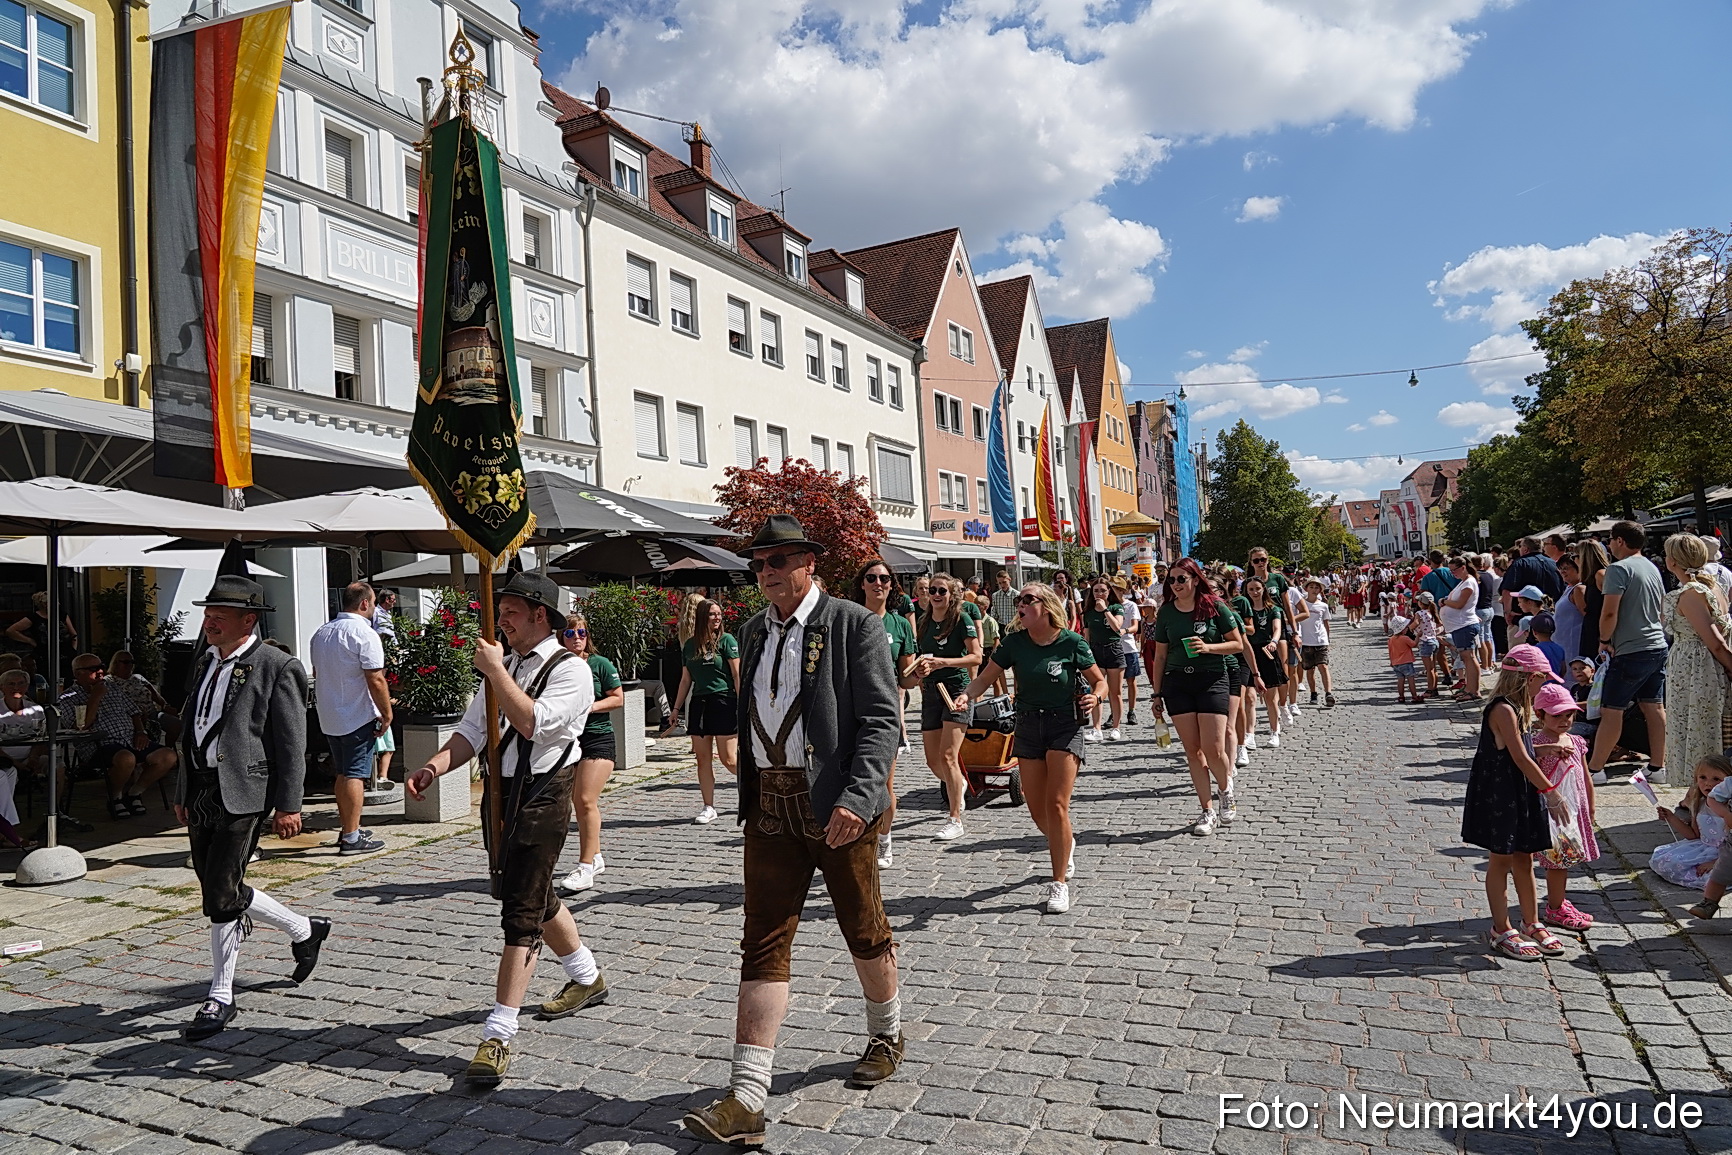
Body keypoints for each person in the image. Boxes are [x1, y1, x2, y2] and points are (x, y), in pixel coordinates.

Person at [681, 516, 903, 1147]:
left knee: (862, 925)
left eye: (777, 560)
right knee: (762, 942)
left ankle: (886, 1032)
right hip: (770, 807)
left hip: (835, 804)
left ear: (808, 562)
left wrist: (860, 797)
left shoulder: (852, 624)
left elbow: (881, 720)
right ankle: (747, 1096)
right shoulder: (754, 630)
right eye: (758, 563)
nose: (766, 571)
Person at [406, 571, 605, 1086]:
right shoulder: (508, 664)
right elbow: (473, 730)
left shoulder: (572, 670)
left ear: (541, 615)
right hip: (501, 794)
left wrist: (496, 671)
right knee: (532, 893)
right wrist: (432, 767)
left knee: (521, 913)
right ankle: (587, 976)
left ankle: (498, 1033)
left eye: (511, 611)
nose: (502, 621)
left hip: (544, 794)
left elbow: (533, 723)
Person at [172, 576, 330, 1041]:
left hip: (245, 792)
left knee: (221, 893)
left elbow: (292, 742)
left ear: (249, 620)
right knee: (216, 886)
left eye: (219, 615)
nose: (209, 622)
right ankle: (304, 929)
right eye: (207, 614)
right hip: (201, 788)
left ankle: (220, 995)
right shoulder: (205, 660)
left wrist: (289, 804)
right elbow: (191, 728)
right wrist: (182, 790)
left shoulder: (277, 666)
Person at [952, 584, 1103, 914]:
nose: (1020, 604)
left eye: (1027, 600)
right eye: (1019, 600)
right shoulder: (1014, 643)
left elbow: (1099, 680)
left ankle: (1059, 882)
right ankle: (1064, 842)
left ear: (1045, 606)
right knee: (1037, 811)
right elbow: (985, 677)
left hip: (1064, 725)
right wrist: (967, 695)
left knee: (1057, 804)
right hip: (1029, 725)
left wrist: (1096, 697)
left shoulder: (1072, 642)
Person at [1460, 646, 1571, 961]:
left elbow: (1519, 750)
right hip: (1502, 794)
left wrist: (1544, 750)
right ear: (1529, 678)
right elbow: (1520, 758)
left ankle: (1531, 922)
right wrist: (1552, 792)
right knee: (1501, 860)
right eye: (1542, 679)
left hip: (1518, 790)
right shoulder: (1503, 709)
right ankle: (1501, 928)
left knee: (1525, 858)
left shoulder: (1519, 708)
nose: (1544, 686)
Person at [1148, 558, 1245, 837]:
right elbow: (1160, 656)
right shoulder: (1166, 612)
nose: (1175, 584)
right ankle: (1207, 810)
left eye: (1182, 579)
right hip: (1177, 683)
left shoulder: (1215, 606)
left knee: (1213, 748)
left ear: (1195, 579)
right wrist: (1156, 694)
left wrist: (1208, 647)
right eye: (1172, 580)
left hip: (1211, 679)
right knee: (1193, 750)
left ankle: (1225, 790)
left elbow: (1237, 644)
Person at [307, 582, 391, 856]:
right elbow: (375, 678)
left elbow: (318, 673)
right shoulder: (364, 633)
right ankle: (352, 837)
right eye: (374, 602)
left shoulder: (321, 633)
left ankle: (349, 829)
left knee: (343, 773)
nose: (374, 608)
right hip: (356, 713)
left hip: (330, 714)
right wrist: (387, 713)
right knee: (355, 774)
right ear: (364, 603)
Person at [1588, 521, 1670, 786]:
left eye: (1611, 540)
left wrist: (1604, 639)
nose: (1609, 545)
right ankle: (1658, 766)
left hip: (1631, 648)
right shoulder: (1651, 567)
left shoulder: (1618, 569)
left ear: (1620, 541)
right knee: (1653, 706)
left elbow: (1609, 611)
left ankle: (1595, 769)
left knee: (1612, 709)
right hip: (1657, 644)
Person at [852, 559, 917, 869]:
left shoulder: (899, 624)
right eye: (871, 578)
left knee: (883, 782)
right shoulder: (850, 619)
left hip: (884, 712)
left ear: (892, 585)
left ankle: (884, 840)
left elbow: (906, 678)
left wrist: (918, 674)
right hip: (849, 708)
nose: (878, 583)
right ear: (862, 583)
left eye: (884, 578)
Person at [60, 653, 177, 820]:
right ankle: (115, 797)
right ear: (78, 673)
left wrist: (140, 732)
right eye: (94, 669)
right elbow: (81, 726)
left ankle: (134, 793)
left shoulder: (113, 688)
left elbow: (134, 712)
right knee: (126, 758)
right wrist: (95, 697)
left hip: (129, 738)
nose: (100, 671)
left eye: (101, 666)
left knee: (168, 756)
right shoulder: (68, 697)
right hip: (98, 744)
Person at [1659, 533, 1732, 790]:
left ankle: (1699, 792)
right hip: (1699, 668)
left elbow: (1714, 641)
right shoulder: (1713, 587)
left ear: (1673, 561)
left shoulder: (1691, 593)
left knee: (1699, 729)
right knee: (1704, 728)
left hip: (1697, 670)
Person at [909, 574, 979, 838]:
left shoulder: (962, 619)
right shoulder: (924, 621)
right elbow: (922, 656)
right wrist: (920, 669)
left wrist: (943, 662)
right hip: (930, 691)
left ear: (951, 595)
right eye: (932, 591)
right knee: (932, 761)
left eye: (942, 591)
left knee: (949, 755)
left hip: (956, 691)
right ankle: (957, 783)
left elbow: (976, 656)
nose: (936, 595)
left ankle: (955, 819)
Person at [558, 611, 624, 893]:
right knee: (575, 801)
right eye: (570, 633)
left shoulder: (599, 664)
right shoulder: (557, 666)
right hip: (567, 741)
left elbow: (618, 698)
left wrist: (589, 708)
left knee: (585, 799)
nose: (577, 638)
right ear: (561, 638)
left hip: (598, 738)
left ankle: (585, 867)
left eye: (582, 633)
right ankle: (595, 856)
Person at [666, 599, 742, 824]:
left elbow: (737, 674)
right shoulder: (690, 645)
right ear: (702, 617)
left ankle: (756, 788)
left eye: (719, 614)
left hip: (724, 700)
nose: (717, 618)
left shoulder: (727, 640)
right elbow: (685, 679)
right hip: (699, 703)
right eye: (712, 614)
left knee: (729, 759)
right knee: (703, 759)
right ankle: (708, 806)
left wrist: (744, 703)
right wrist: (676, 709)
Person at [1531, 684, 1598, 931]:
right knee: (1557, 862)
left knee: (1565, 861)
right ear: (1540, 715)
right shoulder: (1537, 744)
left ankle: (1559, 901)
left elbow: (1585, 776)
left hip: (1574, 811)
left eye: (1569, 714)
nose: (1564, 720)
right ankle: (1555, 908)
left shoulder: (1576, 741)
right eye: (1557, 715)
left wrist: (1590, 805)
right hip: (1553, 814)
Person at [1652, 755, 1730, 890]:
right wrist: (1671, 818)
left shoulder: (1729, 808)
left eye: (1716, 779)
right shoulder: (1699, 803)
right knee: (1670, 861)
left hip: (1727, 853)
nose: (1708, 783)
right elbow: (1694, 835)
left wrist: (1715, 862)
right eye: (1703, 777)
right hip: (1705, 848)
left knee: (1715, 876)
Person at [1080, 578, 1124, 741]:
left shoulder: (1116, 607)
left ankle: (1116, 727)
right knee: (1096, 690)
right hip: (1096, 650)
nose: (1099, 594)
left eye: (1103, 590)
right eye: (1096, 590)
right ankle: (1096, 728)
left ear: (1109, 591)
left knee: (1115, 691)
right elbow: (1087, 635)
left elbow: (1117, 627)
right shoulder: (1089, 611)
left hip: (1113, 649)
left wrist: (1105, 610)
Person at [109, 650, 181, 749]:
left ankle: (169, 749)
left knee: (175, 724)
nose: (130, 665)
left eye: (132, 662)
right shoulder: (110, 681)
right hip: (130, 717)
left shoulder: (138, 677)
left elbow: (154, 694)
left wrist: (165, 705)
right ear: (116, 663)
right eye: (126, 662)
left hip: (151, 712)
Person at [1440, 556, 1483, 702]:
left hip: (1464, 624)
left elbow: (1459, 604)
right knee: (1466, 658)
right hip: (1459, 625)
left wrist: (1444, 601)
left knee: (1469, 657)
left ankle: (1474, 690)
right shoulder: (1463, 582)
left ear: (1463, 567)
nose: (1452, 573)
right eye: (1451, 571)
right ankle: (1469, 688)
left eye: (1454, 570)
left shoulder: (1469, 583)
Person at [1500, 536, 1565, 631]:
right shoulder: (1553, 564)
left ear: (1526, 549)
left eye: (1520, 546)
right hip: (1550, 618)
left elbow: (1507, 590)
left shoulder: (1519, 564)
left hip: (1522, 620)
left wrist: (1507, 612)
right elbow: (1561, 588)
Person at [1297, 579, 1335, 709]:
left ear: (1320, 590)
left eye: (1316, 587)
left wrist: (1328, 639)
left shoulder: (1323, 606)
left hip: (1320, 640)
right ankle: (1313, 693)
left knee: (1323, 666)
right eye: (1311, 587)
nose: (1314, 589)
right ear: (1306, 589)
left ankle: (1328, 693)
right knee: (1310, 669)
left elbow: (1326, 623)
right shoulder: (1301, 605)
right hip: (1306, 641)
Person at [1576, 539, 1610, 660]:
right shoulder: (1589, 579)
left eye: (1575, 556)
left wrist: (1605, 638)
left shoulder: (1600, 575)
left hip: (1599, 632)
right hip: (1591, 630)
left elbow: (1610, 606)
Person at [1553, 554, 1586, 663]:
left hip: (1573, 647)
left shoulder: (1579, 590)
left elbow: (1587, 618)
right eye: (1561, 568)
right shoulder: (1569, 588)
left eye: (1566, 568)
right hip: (1562, 646)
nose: (1562, 571)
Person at [1119, 584, 1142, 726]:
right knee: (1114, 684)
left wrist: (1125, 630)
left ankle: (1131, 711)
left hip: (1128, 647)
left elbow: (1135, 627)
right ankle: (1115, 713)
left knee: (1131, 680)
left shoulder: (1131, 605)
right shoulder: (1108, 607)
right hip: (1113, 648)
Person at [1388, 616, 1419, 703]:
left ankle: (1401, 696)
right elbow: (1414, 645)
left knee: (1400, 680)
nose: (1407, 628)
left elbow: (1390, 651)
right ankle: (1414, 696)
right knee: (1411, 679)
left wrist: (1391, 661)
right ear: (1402, 629)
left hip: (1396, 663)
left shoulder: (1391, 639)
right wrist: (1418, 637)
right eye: (1406, 627)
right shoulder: (1405, 638)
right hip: (1406, 662)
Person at [989, 569, 1018, 635]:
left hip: (1014, 626)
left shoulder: (1017, 595)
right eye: (999, 583)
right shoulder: (995, 595)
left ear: (1009, 580)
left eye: (1004, 582)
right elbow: (994, 612)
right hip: (1001, 627)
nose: (1002, 585)